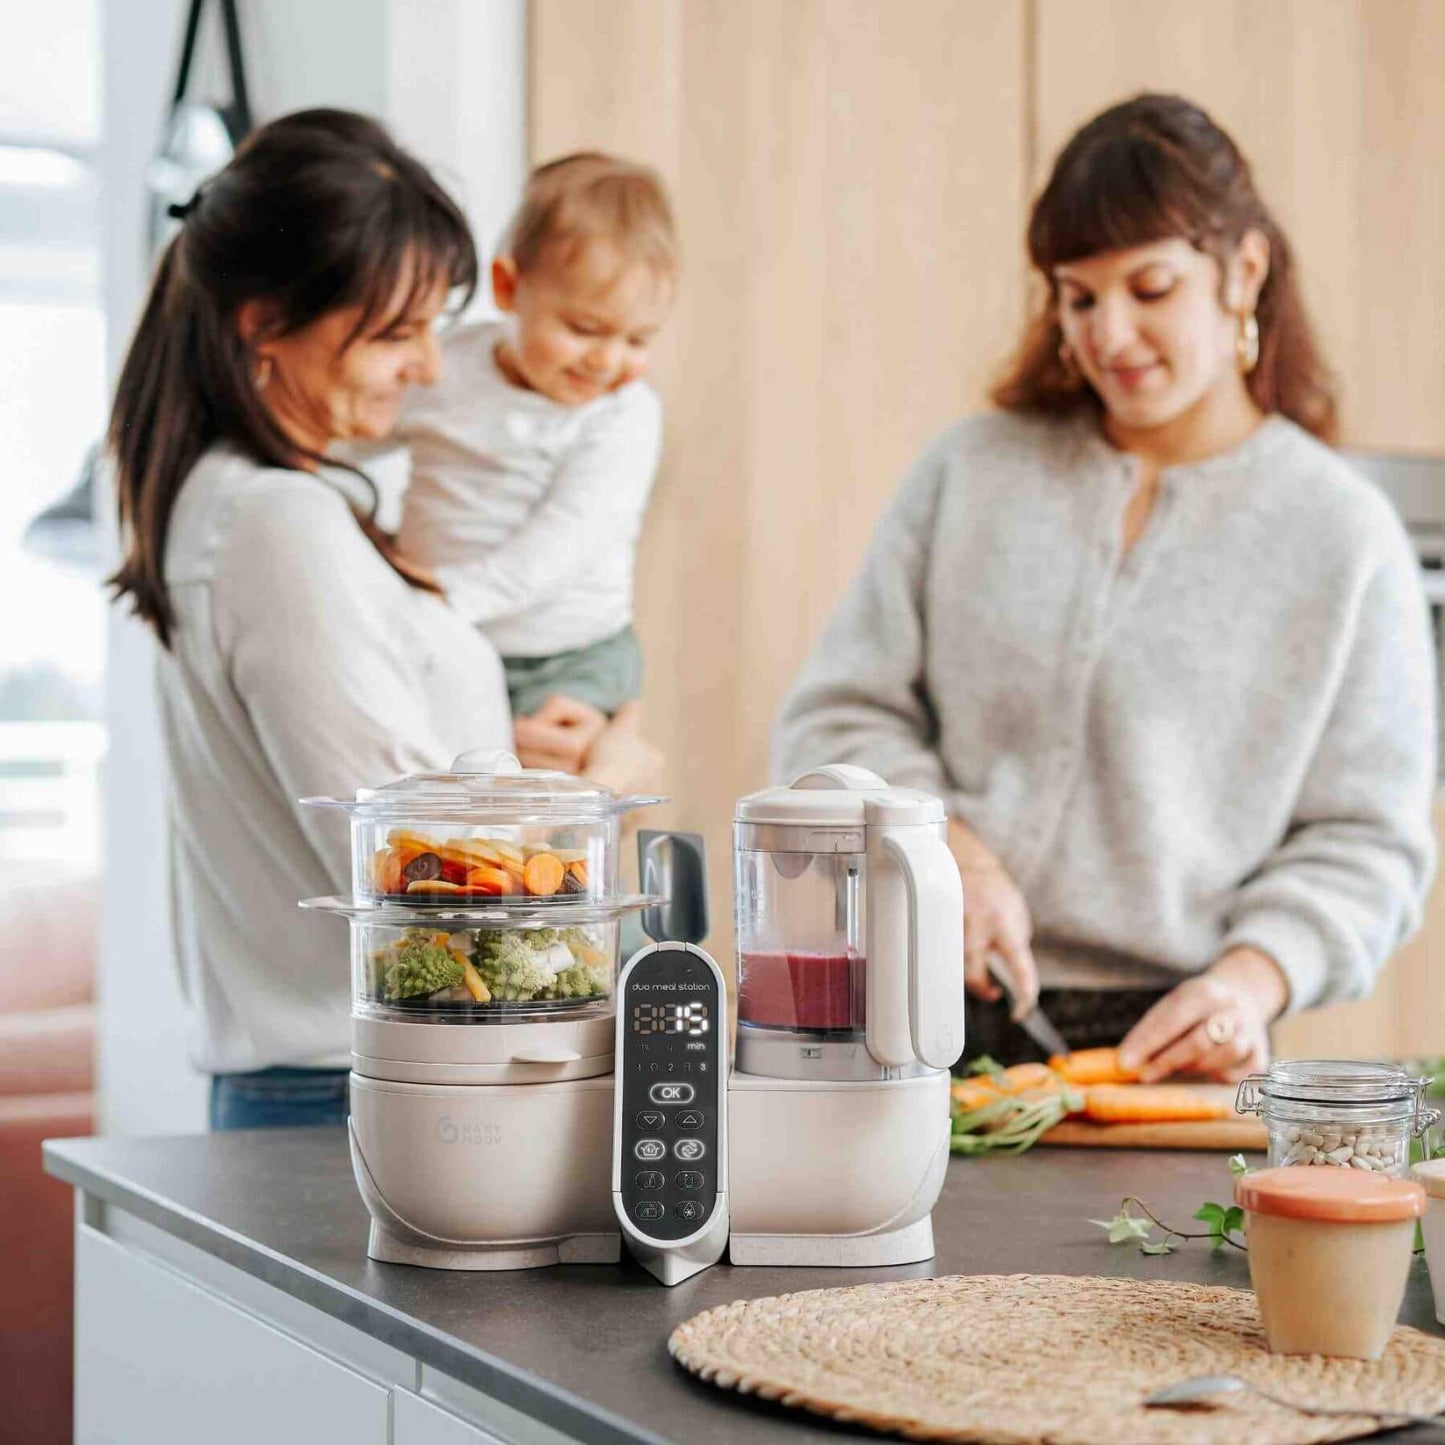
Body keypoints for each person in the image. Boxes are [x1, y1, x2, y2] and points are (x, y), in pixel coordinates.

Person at [772, 93, 1437, 1083]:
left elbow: (1367, 840)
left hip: (1170, 1049)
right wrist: (951, 850)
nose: (1109, 333)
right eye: (1078, 298)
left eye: (1149, 287)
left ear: (1240, 272)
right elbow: (832, 720)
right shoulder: (970, 472)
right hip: (914, 1009)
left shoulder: (1343, 538)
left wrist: (1250, 982)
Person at [108, 110, 658, 1130]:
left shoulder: (234, 503)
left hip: (336, 1083)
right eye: (396, 332)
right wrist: (604, 782)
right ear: (263, 322)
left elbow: (362, 786)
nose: (431, 369)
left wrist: (499, 749)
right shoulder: (279, 524)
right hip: (367, 1094)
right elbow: (425, 880)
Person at [391, 152, 676, 738]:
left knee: (544, 812)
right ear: (507, 287)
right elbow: (355, 430)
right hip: (449, 632)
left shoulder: (622, 418)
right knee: (447, 796)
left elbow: (560, 546)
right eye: (585, 330)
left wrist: (440, 599)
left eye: (637, 339)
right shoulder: (447, 367)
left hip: (568, 657)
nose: (608, 360)